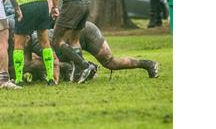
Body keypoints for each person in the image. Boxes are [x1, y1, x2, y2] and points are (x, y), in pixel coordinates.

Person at [27, 21, 160, 80]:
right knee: (111, 62)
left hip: (84, 32)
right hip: (84, 29)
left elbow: (58, 53)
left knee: (110, 62)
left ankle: (148, 64)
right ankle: (88, 67)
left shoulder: (36, 41)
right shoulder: (31, 42)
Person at [7, 0, 60, 85]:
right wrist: (55, 6)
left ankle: (18, 79)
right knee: (44, 42)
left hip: (24, 6)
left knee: (19, 44)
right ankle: (50, 78)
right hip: (42, 4)